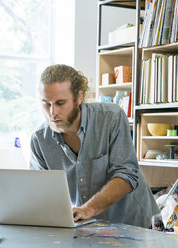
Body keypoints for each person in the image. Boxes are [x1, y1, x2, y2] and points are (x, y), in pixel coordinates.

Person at [30, 64, 159, 228]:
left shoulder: (111, 118)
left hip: (133, 225)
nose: (52, 112)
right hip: (88, 229)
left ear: (79, 97)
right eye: (46, 104)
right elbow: (41, 193)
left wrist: (88, 209)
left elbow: (126, 175)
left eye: (60, 103)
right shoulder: (39, 140)